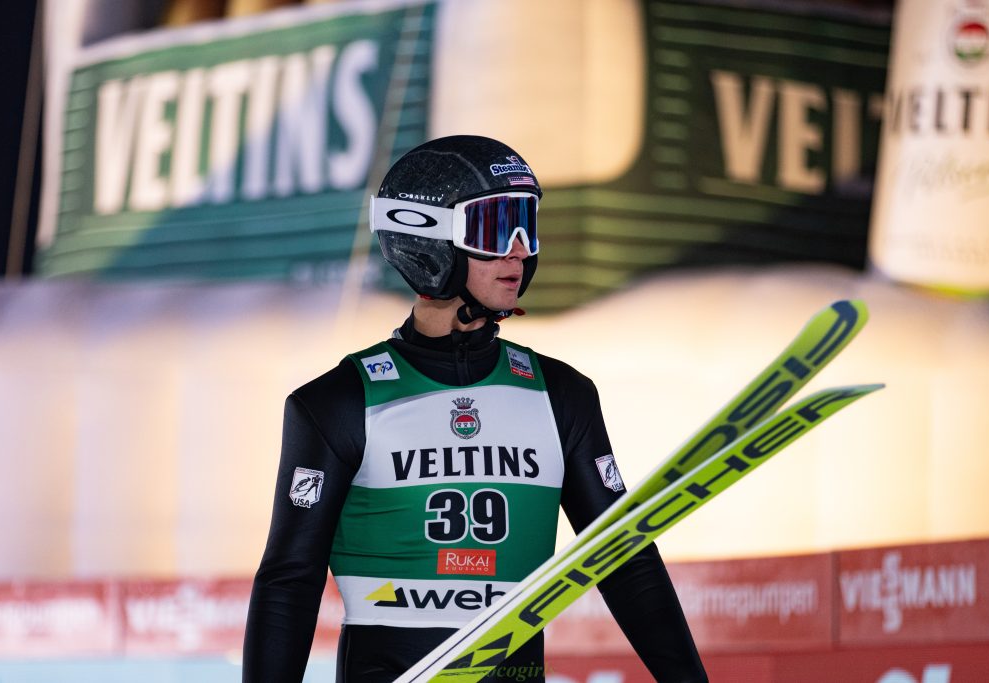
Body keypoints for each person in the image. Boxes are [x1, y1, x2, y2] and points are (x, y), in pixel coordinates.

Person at [242, 135, 708, 683]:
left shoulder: (561, 395)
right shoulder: (338, 402)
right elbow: (289, 582)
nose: (518, 250)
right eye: (494, 227)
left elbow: (627, 564)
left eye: (526, 225)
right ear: (427, 239)